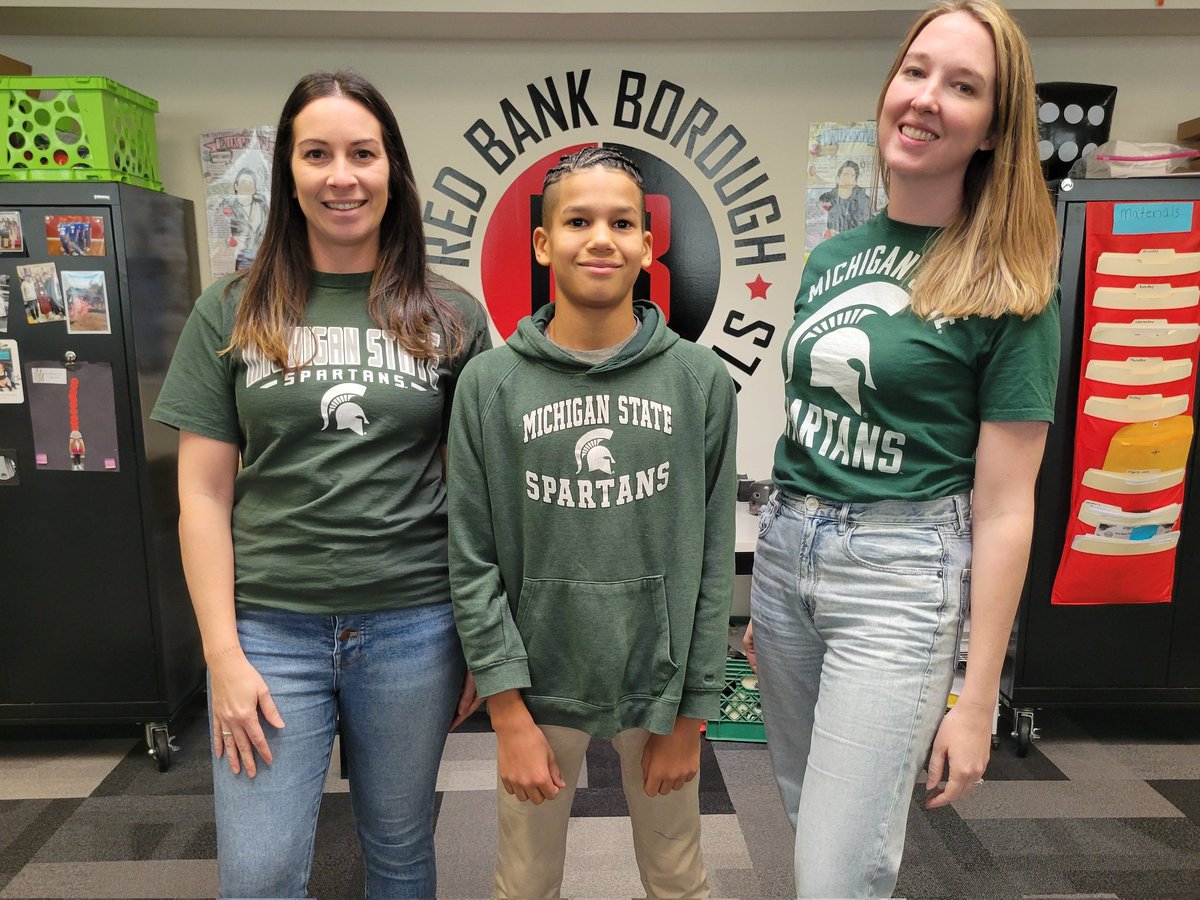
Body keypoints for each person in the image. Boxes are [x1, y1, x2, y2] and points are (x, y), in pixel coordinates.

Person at [151, 70, 492, 898]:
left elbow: (473, 493)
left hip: (414, 624)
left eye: (362, 153)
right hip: (269, 631)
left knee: (400, 846)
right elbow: (202, 495)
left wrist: (484, 637)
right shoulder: (231, 310)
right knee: (260, 873)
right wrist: (220, 653)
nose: (342, 175)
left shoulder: (450, 314)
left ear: (392, 170)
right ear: (290, 174)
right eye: (318, 154)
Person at [746, 1, 1061, 896]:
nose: (926, 98)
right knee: (816, 829)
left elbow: (1006, 508)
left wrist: (975, 695)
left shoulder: (1011, 285)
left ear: (996, 126)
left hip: (900, 579)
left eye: (963, 86)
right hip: (785, 560)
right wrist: (785, 580)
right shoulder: (831, 256)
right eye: (916, 71)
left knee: (840, 871)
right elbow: (807, 423)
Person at [448, 147, 738, 900]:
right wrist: (506, 708)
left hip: (662, 682)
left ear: (649, 244)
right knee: (524, 880)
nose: (600, 238)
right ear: (544, 245)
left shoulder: (700, 382)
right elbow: (471, 556)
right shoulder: (490, 383)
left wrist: (695, 714)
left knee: (679, 874)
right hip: (539, 684)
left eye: (622, 223)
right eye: (577, 221)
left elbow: (712, 558)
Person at [817, 159, 873, 237]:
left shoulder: (864, 201)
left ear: (855, 182)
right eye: (845, 174)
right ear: (837, 179)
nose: (848, 177)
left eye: (852, 175)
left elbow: (866, 228)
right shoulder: (826, 199)